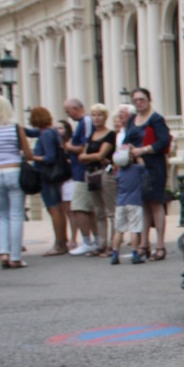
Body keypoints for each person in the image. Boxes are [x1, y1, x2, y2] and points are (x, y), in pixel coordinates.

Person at [0, 95, 34, 269]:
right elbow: (28, 153)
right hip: (13, 169)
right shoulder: (15, 129)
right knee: (16, 214)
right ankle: (16, 256)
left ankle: (4, 251)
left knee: (2, 214)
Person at [124, 88, 173, 261]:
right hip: (137, 167)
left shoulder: (156, 119)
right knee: (143, 204)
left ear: (149, 100)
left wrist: (143, 150)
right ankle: (144, 244)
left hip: (154, 166)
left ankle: (160, 245)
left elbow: (164, 141)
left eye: (142, 99)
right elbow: (126, 139)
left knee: (155, 203)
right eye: (135, 100)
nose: (138, 102)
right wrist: (128, 150)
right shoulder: (132, 119)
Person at [30, 106, 70, 255]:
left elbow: (50, 157)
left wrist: (32, 157)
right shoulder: (52, 131)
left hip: (48, 176)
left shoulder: (46, 134)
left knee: (54, 209)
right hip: (54, 176)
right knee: (58, 208)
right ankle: (62, 241)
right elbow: (31, 132)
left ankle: (59, 243)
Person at [64, 98, 100, 256]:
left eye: (68, 111)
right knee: (88, 208)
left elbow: (85, 147)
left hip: (82, 170)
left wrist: (69, 146)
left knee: (78, 207)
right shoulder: (83, 122)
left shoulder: (85, 122)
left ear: (76, 108)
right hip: (81, 170)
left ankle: (88, 241)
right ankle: (97, 240)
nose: (68, 115)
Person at [78, 103, 116, 255]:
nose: (96, 118)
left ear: (105, 117)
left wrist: (87, 157)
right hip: (91, 173)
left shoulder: (109, 134)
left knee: (110, 210)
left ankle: (114, 244)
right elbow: (82, 156)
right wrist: (88, 157)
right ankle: (101, 244)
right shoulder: (91, 135)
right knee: (98, 211)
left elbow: (101, 155)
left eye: (99, 115)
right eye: (94, 115)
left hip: (105, 174)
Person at [109, 147, 146, 266]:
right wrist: (138, 156)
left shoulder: (118, 173)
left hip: (121, 203)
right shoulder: (136, 169)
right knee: (134, 229)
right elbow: (143, 166)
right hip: (135, 202)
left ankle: (115, 254)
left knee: (119, 230)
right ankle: (135, 253)